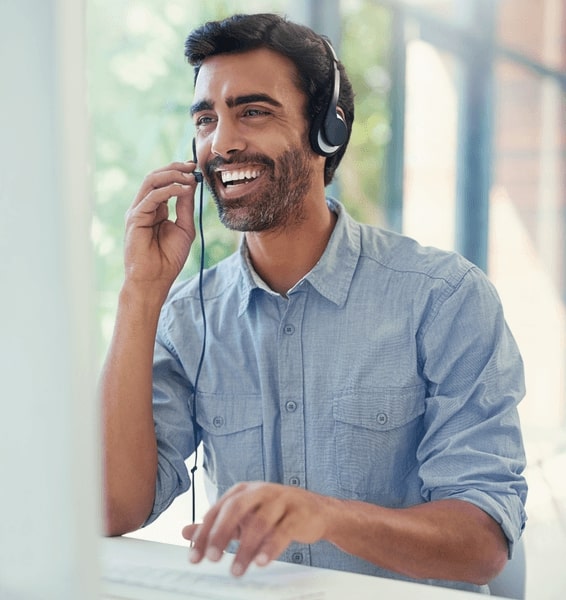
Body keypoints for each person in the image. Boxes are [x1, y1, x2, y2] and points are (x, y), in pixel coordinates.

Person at [100, 12, 527, 594]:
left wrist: (327, 516)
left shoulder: (443, 298)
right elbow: (111, 508)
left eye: (252, 111)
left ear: (327, 131)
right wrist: (140, 289)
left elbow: (483, 544)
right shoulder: (188, 316)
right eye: (206, 118)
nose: (221, 143)